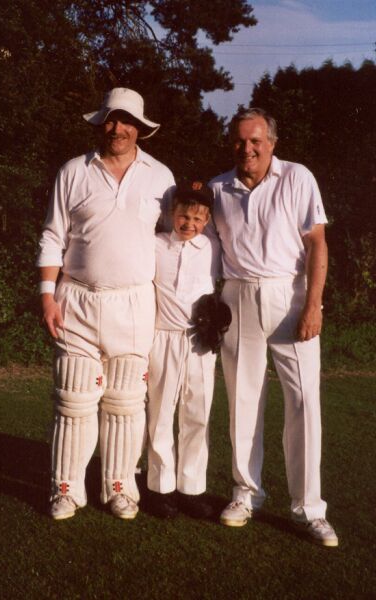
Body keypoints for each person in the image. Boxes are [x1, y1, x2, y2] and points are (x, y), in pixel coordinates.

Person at [37, 87, 175, 521]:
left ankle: (120, 488)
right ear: (100, 123)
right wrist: (46, 295)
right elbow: (52, 236)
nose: (117, 128)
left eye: (126, 120)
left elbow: (175, 239)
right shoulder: (74, 171)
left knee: (126, 403)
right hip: (76, 298)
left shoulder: (160, 176)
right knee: (73, 400)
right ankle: (65, 488)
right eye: (110, 120)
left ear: (139, 129)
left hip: (134, 304)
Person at [208, 107, 338, 547]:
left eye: (256, 141)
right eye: (240, 141)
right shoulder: (217, 188)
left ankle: (309, 509)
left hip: (291, 297)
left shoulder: (299, 177)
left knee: (303, 403)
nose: (247, 148)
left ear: (272, 143)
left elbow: (317, 242)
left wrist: (314, 305)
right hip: (237, 296)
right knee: (243, 401)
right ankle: (246, 495)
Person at [145, 182, 224, 519]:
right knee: (161, 412)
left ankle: (191, 487)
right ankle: (160, 489)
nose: (188, 223)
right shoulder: (156, 244)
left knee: (197, 413)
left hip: (199, 341)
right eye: (182, 216)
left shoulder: (211, 247)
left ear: (206, 220)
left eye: (196, 218)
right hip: (163, 337)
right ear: (171, 214)